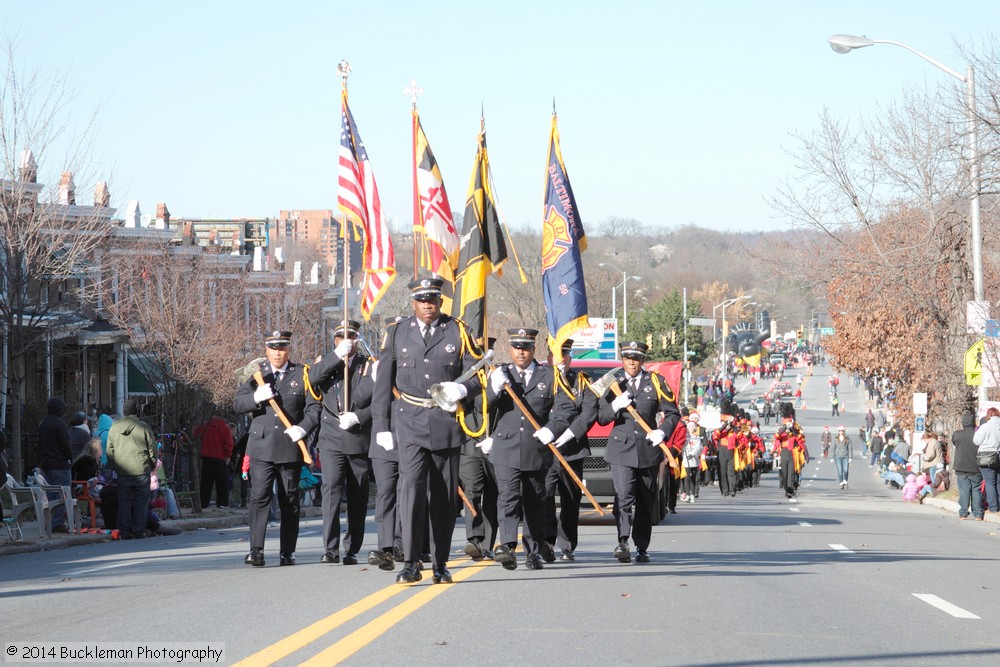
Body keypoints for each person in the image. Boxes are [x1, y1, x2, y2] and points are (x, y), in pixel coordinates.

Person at [372, 278, 483, 585]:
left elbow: (478, 375)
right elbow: (383, 383)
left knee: (444, 498)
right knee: (410, 492)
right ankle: (409, 561)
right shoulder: (397, 333)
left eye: (432, 299)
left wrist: (461, 387)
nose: (427, 305)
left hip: (445, 422)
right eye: (421, 300)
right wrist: (382, 425)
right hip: (409, 421)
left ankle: (440, 563)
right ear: (413, 303)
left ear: (439, 302)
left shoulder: (457, 331)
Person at [484, 328, 573, 571]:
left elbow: (566, 409)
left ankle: (533, 551)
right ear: (511, 349)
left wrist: (552, 429)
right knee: (508, 497)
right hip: (506, 447)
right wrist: (493, 390)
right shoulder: (500, 374)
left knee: (535, 500)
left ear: (534, 350)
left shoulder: (550, 375)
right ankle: (508, 547)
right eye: (516, 347)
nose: (521, 352)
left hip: (536, 447)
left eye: (525, 347)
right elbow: (484, 407)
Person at [234, 330, 321, 567]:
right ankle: (256, 550)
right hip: (260, 446)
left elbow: (314, 408)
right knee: (259, 497)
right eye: (273, 348)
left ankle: (287, 551)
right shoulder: (256, 375)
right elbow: (238, 404)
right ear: (266, 350)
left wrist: (303, 429)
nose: (277, 353)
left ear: (288, 350)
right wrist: (256, 397)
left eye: (281, 348)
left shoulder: (301, 374)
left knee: (289, 499)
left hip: (289, 446)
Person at [596, 341, 680, 563]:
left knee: (645, 499)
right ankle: (622, 541)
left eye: (635, 358)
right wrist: (615, 406)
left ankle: (642, 546)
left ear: (642, 360)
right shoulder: (613, 382)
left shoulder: (656, 382)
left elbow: (673, 413)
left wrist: (662, 432)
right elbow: (602, 417)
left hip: (647, 449)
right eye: (627, 358)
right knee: (624, 496)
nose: (631, 362)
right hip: (621, 449)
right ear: (622, 359)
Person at [309, 319, 374, 566]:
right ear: (335, 340)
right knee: (331, 488)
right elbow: (314, 379)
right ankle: (330, 547)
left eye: (350, 336)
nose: (346, 340)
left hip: (357, 435)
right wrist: (336, 356)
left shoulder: (367, 366)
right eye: (340, 337)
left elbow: (374, 401)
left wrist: (359, 416)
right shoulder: (326, 364)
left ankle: (352, 547)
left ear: (357, 339)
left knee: (358, 494)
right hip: (331, 437)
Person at [543, 338, 598, 562]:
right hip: (545, 450)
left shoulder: (582, 382)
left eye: (563, 357)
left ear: (569, 358)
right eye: (555, 357)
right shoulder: (540, 379)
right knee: (544, 495)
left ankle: (567, 545)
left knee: (570, 498)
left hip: (572, 449)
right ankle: (546, 541)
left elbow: (589, 412)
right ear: (548, 358)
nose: (559, 361)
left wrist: (569, 434)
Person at [106, 400, 158, 539]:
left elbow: (110, 450)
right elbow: (152, 448)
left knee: (124, 501)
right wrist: (152, 464)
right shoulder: (143, 426)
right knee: (141, 501)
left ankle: (124, 531)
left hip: (123, 469)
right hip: (141, 468)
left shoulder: (114, 427)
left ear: (124, 411)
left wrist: (114, 465)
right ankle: (138, 530)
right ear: (136, 411)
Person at [37, 397, 73, 532]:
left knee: (51, 496)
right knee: (63, 494)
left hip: (46, 463)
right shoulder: (60, 424)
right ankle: (57, 523)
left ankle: (49, 521)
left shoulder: (43, 423)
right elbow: (65, 444)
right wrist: (70, 457)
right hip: (60, 464)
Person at [195, 410, 235, 510]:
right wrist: (228, 455)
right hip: (220, 458)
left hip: (207, 457)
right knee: (221, 483)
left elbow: (195, 434)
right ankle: (222, 503)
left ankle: (203, 503)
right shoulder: (224, 428)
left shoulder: (205, 426)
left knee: (206, 483)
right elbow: (229, 443)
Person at [951, 412, 984, 520]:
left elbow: (954, 442)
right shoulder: (978, 434)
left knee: (964, 491)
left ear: (963, 422)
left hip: (961, 467)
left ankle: (963, 513)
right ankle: (978, 514)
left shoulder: (957, 434)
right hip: (976, 467)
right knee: (976, 490)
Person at [973, 406, 1000, 515]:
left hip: (986, 456)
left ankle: (993, 507)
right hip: (998, 455)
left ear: (988, 415)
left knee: (989, 483)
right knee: (998, 482)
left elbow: (976, 441)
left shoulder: (985, 427)